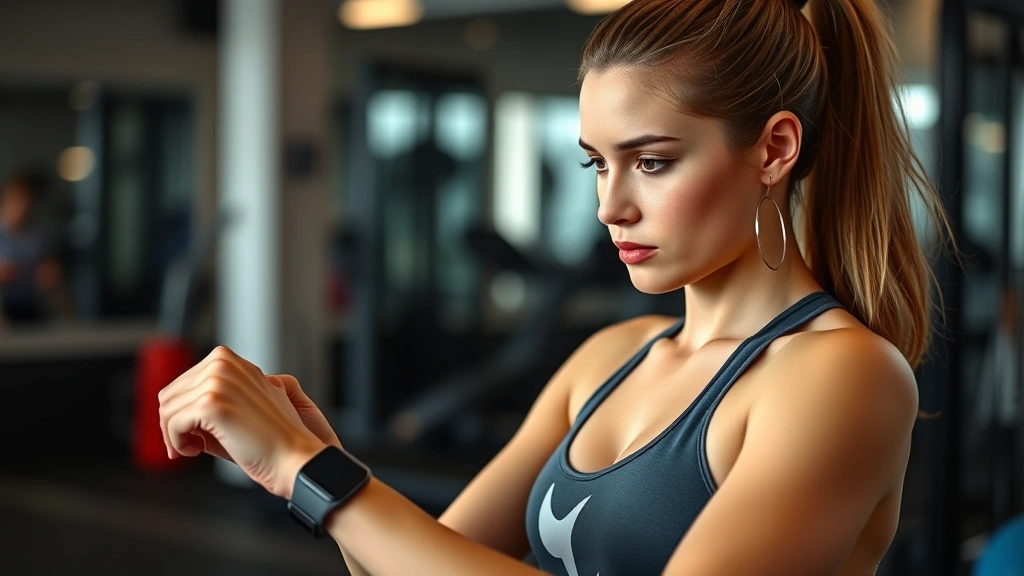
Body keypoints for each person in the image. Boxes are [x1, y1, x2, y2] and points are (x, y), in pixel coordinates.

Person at [157, 0, 952, 573]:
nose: (610, 205)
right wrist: (318, 459)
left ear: (774, 149)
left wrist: (307, 469)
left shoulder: (843, 374)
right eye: (596, 163)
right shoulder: (611, 356)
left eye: (651, 161)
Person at [0, 170, 61, 323]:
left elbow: (49, 267)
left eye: (26, 203)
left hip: (30, 304)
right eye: (17, 201)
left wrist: (47, 273)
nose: (22, 208)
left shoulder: (37, 236)